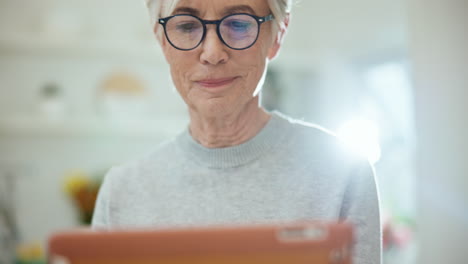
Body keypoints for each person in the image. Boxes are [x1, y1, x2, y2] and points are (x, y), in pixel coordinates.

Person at [92, 0, 381, 263]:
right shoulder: (122, 192)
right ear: (162, 39)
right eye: (187, 26)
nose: (212, 53)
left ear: (277, 34)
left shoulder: (344, 175)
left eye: (239, 24)